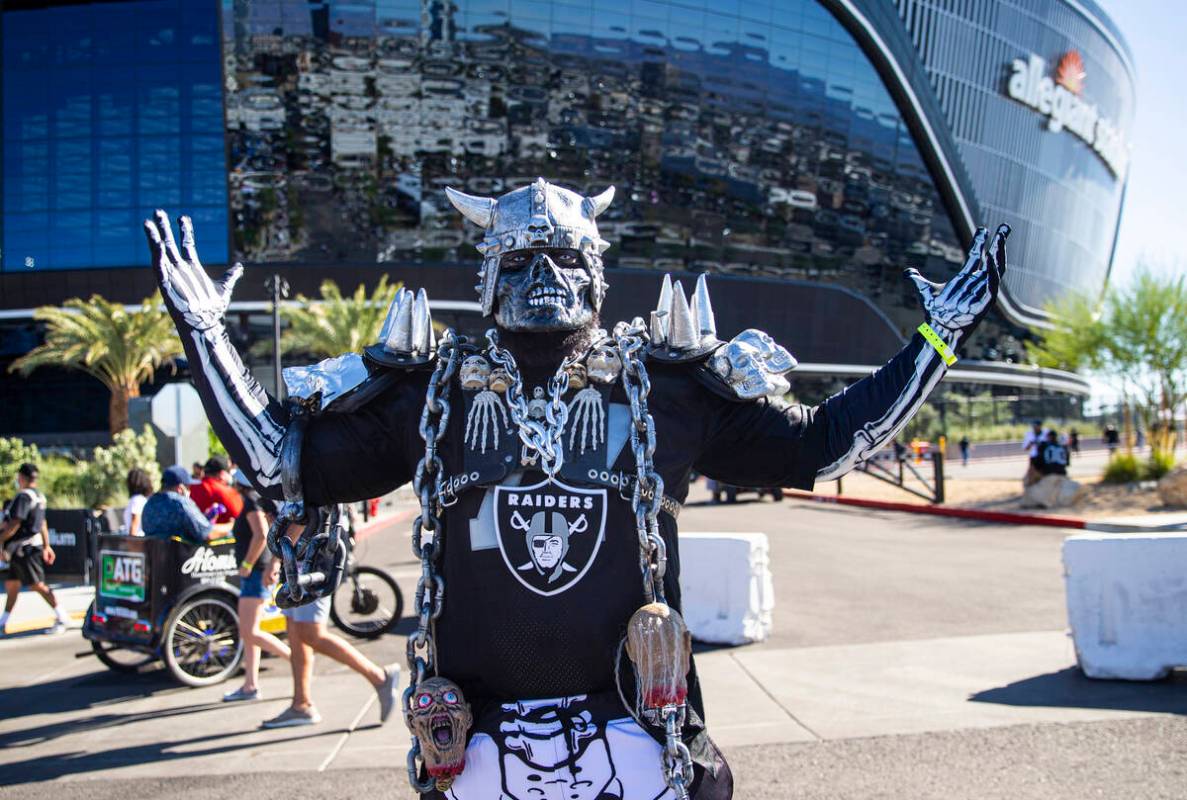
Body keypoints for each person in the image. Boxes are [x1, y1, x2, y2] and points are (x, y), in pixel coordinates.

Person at [147, 185, 1008, 797]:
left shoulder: (666, 386)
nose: (545, 276)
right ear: (487, 274)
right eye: (522, 258)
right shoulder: (427, 395)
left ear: (598, 272)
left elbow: (823, 446)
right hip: (477, 743)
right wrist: (205, 332)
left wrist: (938, 333)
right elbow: (277, 460)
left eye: (565, 257)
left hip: (641, 740)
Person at [223, 470, 291, 703]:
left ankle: (296, 659)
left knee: (249, 631)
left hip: (255, 572)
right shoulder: (254, 500)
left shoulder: (252, 501)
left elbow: (261, 535)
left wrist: (247, 563)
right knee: (250, 633)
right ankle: (250, 685)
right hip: (256, 571)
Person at [0, 463, 67, 636]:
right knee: (12, 585)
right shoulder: (39, 496)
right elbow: (43, 523)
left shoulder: (23, 497)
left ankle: (62, 616)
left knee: (37, 585)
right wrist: (46, 545)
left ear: (21, 477)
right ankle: (3, 621)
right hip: (25, 548)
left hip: (25, 549)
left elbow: (15, 523)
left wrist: (1, 540)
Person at [141, 465, 233, 543]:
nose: (190, 490)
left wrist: (205, 518)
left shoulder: (149, 503)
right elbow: (207, 534)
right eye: (189, 487)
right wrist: (231, 526)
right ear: (180, 488)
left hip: (153, 560)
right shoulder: (180, 502)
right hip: (180, 560)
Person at [189, 455, 243, 525]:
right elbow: (241, 517)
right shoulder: (226, 492)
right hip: (221, 534)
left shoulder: (194, 487)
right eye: (228, 471)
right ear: (222, 474)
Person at [123, 468, 154, 536]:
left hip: (137, 542)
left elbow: (134, 525)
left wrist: (131, 543)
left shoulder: (137, 500)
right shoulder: (141, 500)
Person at [1022, 419, 1044, 486]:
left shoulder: (1045, 434)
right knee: (1032, 473)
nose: (1034, 428)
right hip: (1034, 457)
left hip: (1043, 456)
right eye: (1033, 426)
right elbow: (1025, 448)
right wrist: (1031, 444)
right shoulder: (1029, 434)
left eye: (1036, 426)